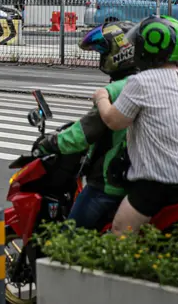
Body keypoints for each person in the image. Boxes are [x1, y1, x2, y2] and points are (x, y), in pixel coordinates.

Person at [94, 15, 178, 236]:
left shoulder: (140, 82)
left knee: (120, 231)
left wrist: (101, 97)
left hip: (160, 179)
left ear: (145, 49)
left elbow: (114, 121)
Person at [35, 21, 139, 230]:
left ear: (120, 52)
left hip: (111, 181)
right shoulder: (143, 82)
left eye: (104, 52)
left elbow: (82, 133)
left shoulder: (118, 90)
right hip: (140, 176)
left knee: (68, 239)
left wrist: (48, 143)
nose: (102, 58)